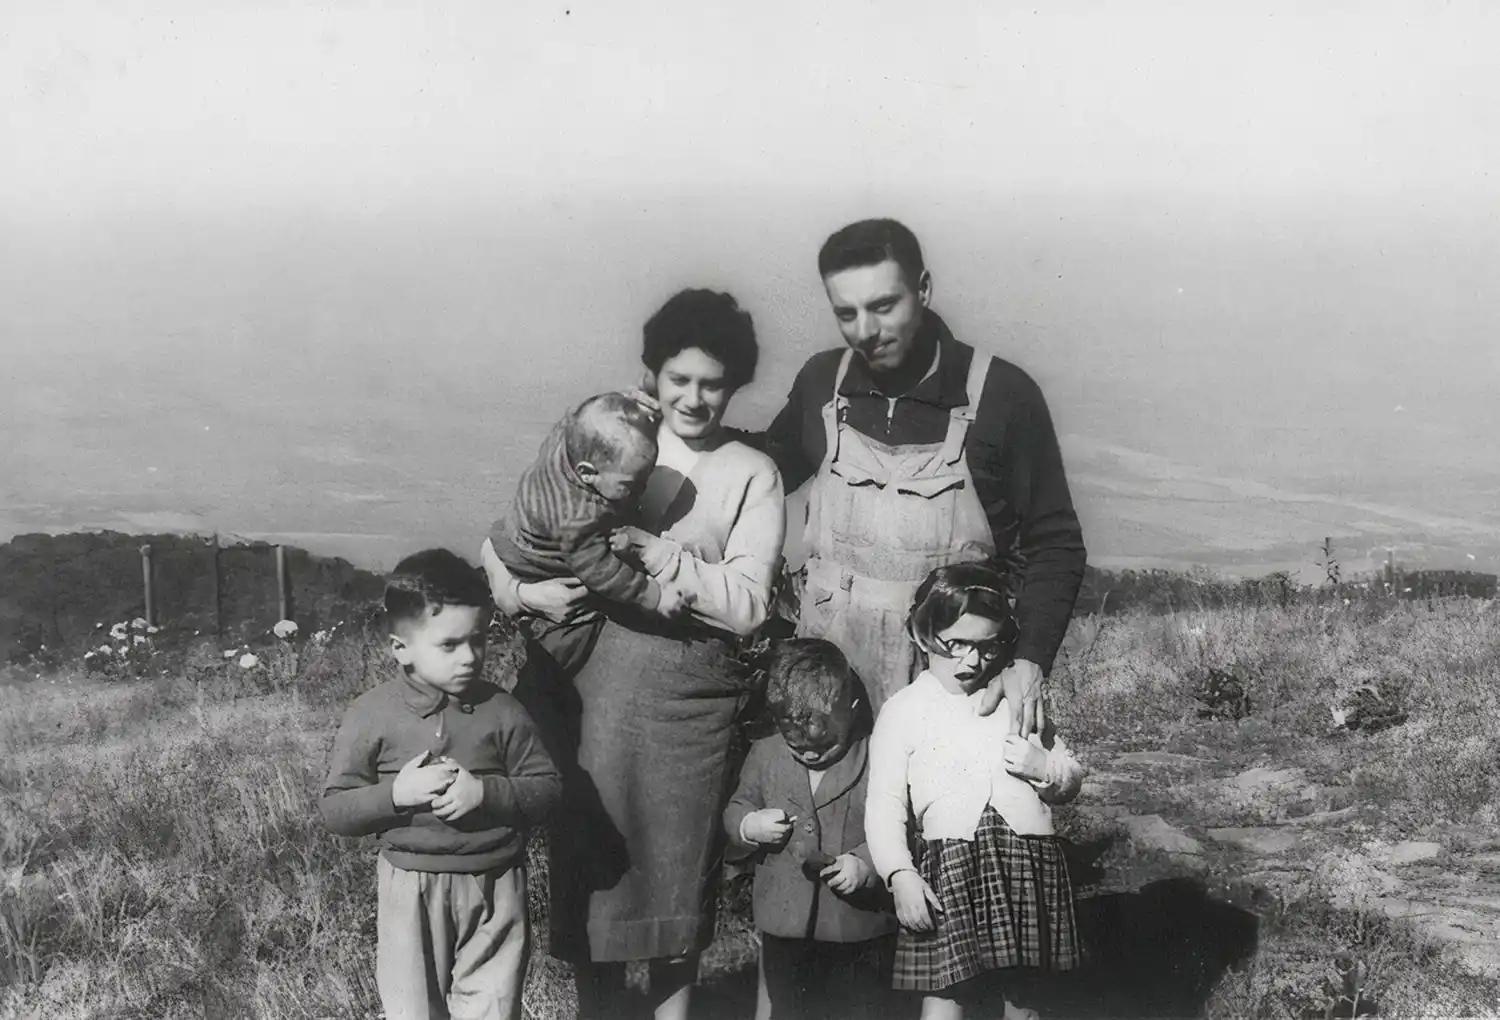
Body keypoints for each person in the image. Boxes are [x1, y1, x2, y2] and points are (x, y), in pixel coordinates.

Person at [481, 288, 785, 1020]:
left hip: (689, 697)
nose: (694, 398)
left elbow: (749, 604)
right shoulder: (606, 430)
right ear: (652, 371)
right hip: (589, 692)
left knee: (678, 876)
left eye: (713, 383)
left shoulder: (752, 470)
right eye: (679, 378)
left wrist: (657, 555)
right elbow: (509, 534)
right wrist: (519, 596)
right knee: (596, 874)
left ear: (736, 385)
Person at [761, 218, 1086, 728]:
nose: (866, 331)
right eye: (847, 313)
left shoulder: (1002, 395)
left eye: (883, 306)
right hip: (829, 692)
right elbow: (765, 468)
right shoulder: (824, 382)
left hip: (954, 688)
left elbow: (1056, 542)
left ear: (924, 290)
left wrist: (1029, 660)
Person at [319, 549, 563, 1020]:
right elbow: (335, 809)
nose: (470, 657)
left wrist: (485, 793)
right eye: (449, 645)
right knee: (414, 1009)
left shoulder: (503, 711)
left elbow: (548, 790)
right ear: (401, 648)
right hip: (409, 887)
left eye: (478, 639)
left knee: (493, 1007)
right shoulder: (372, 714)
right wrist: (396, 795)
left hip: (496, 884)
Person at [865, 563, 1084, 1020]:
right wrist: (899, 874)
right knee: (947, 996)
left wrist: (1043, 768)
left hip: (1027, 863)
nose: (972, 662)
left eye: (988, 647)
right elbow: (884, 805)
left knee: (1024, 999)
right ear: (923, 635)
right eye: (956, 645)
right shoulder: (903, 710)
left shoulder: (1015, 698)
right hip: (951, 870)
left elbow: (1069, 776)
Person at [724, 638, 896, 1020]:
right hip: (785, 925)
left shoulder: (877, 757)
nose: (812, 754)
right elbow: (736, 807)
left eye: (825, 743)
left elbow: (899, 828)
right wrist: (750, 825)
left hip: (855, 929)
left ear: (852, 712)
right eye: (797, 745)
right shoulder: (765, 753)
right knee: (787, 1008)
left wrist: (866, 864)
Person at [487, 390, 693, 678]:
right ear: (586, 474)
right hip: (536, 561)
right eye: (630, 484)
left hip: (520, 525)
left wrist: (628, 405)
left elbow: (586, 415)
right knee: (578, 624)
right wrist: (653, 596)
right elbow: (601, 571)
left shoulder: (569, 437)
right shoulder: (576, 517)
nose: (642, 489)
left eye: (646, 478)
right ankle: (543, 675)